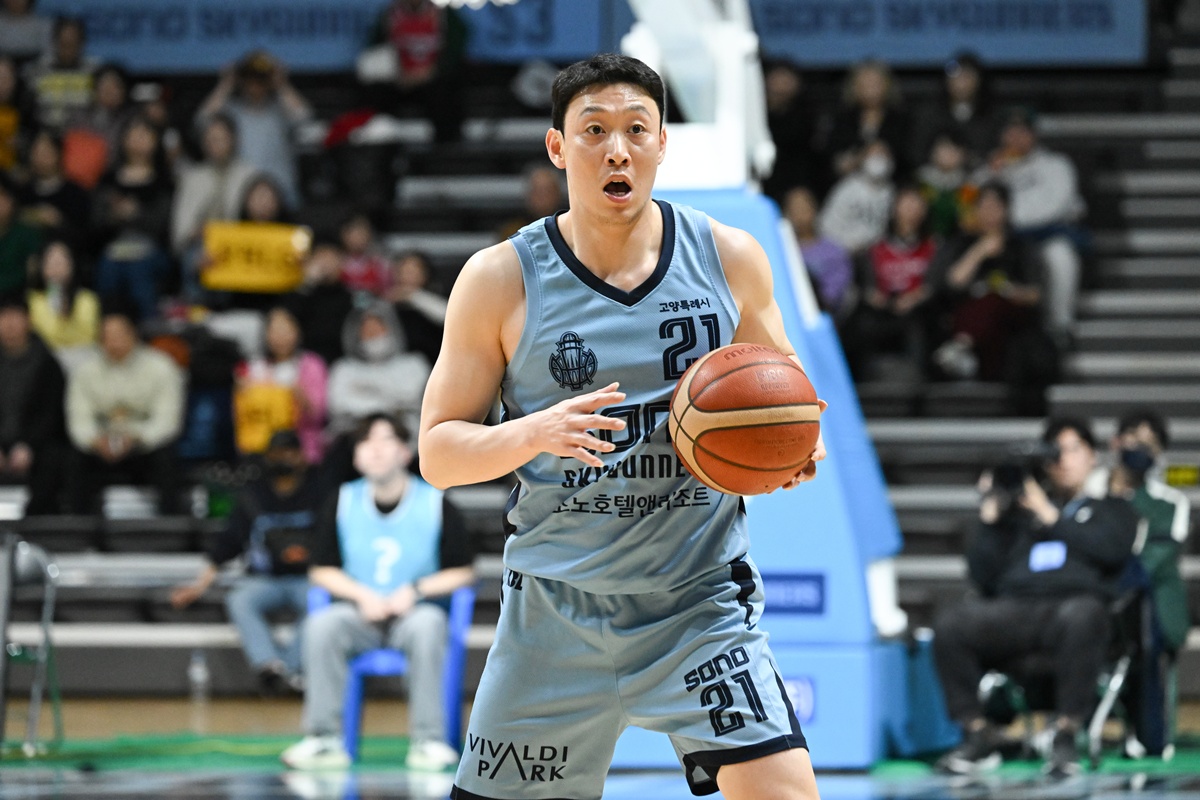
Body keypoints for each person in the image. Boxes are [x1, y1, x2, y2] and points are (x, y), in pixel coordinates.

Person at [418, 54, 825, 800]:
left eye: (637, 130)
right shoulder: (499, 279)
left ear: (662, 144)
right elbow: (439, 456)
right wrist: (532, 433)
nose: (617, 149)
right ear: (557, 147)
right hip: (554, 615)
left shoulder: (728, 259)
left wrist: (794, 448)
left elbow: (789, 397)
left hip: (696, 604)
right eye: (594, 130)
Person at [932, 417, 1140, 778]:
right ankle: (978, 733)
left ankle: (1065, 735)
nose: (1064, 460)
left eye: (1073, 450)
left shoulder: (1112, 509)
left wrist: (1051, 516)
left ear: (1093, 457)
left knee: (1084, 614)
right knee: (952, 623)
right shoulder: (1019, 518)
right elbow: (983, 575)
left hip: (1072, 610)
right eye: (1056, 452)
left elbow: (1113, 551)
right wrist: (990, 517)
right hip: (1016, 611)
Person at [280, 414, 475, 771]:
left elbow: (463, 572)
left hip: (413, 615)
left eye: (386, 440)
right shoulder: (342, 500)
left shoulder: (435, 502)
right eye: (366, 441)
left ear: (405, 452)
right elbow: (321, 569)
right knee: (322, 625)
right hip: (361, 616)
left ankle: (428, 741)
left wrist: (415, 591)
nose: (376, 449)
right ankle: (323, 739)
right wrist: (362, 596)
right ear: (356, 457)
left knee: (429, 624)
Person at [172, 430, 320, 695]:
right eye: (277, 453)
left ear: (301, 457)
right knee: (239, 599)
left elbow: (333, 540)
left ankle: (289, 669)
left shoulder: (318, 493)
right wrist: (198, 586)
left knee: (321, 602)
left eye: (289, 453)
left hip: (308, 577)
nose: (283, 459)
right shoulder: (253, 496)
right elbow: (226, 546)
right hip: (264, 579)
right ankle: (269, 665)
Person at [973, 107, 1087, 341]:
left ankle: (1060, 325)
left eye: (1022, 132)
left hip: (1043, 237)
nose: (1016, 138)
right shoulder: (992, 168)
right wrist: (988, 175)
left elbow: (1057, 206)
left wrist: (1008, 219)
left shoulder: (1056, 165)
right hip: (1004, 240)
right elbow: (965, 200)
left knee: (1061, 256)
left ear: (1034, 134)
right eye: (1010, 132)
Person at [1087, 409, 1192, 653]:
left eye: (1150, 445)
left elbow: (1153, 558)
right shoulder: (1089, 488)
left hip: (1149, 612)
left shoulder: (1170, 502)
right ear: (1116, 442)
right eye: (1135, 439)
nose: (1141, 450)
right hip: (1091, 600)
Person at [64, 306, 185, 514]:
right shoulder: (84, 372)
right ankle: (79, 525)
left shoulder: (162, 367)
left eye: (119, 335)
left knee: (167, 458)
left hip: (144, 446)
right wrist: (95, 441)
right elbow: (78, 419)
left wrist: (137, 438)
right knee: (72, 459)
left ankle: (169, 524)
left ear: (133, 335)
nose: (114, 343)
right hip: (100, 446)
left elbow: (167, 420)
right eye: (107, 337)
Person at [195, 50, 311, 207]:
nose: (255, 84)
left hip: (281, 193)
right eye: (250, 78)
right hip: (241, 195)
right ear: (242, 80)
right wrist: (226, 84)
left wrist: (282, 84)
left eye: (261, 78)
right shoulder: (232, 111)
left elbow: (304, 118)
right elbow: (202, 120)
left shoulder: (280, 110)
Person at [92, 113, 174, 323]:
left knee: (139, 268)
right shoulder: (108, 179)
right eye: (133, 134)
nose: (138, 139)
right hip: (113, 249)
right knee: (109, 267)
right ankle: (109, 326)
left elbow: (165, 227)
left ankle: (148, 327)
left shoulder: (165, 181)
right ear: (123, 139)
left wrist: (136, 215)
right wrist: (114, 217)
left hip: (152, 250)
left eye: (145, 134)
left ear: (156, 140)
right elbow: (94, 224)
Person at [0, 291, 70, 514]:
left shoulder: (47, 363)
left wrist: (28, 446)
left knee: (55, 457)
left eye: (15, 317)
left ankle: (35, 524)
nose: (10, 324)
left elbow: (52, 415)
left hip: (36, 443)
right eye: (4, 317)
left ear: (28, 320)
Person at [232, 306, 328, 464]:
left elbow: (318, 416)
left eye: (285, 330)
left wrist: (299, 394)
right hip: (259, 450)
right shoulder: (255, 368)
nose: (280, 337)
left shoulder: (312, 365)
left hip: (301, 450)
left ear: (297, 331)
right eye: (274, 331)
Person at [25, 238, 98, 372]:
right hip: (44, 361)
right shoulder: (31, 300)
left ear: (72, 265)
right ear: (41, 266)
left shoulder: (88, 299)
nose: (56, 268)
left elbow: (90, 335)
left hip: (83, 359)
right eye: (50, 262)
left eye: (61, 262)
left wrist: (66, 315)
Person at [781, 186, 853, 317]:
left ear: (814, 210)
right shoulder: (781, 252)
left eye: (803, 208)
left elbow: (833, 296)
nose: (799, 215)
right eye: (794, 209)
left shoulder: (834, 252)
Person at [0, 173, 42, 293]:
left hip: (17, 296)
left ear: (11, 200)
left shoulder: (28, 233)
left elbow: (33, 275)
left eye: (2, 196)